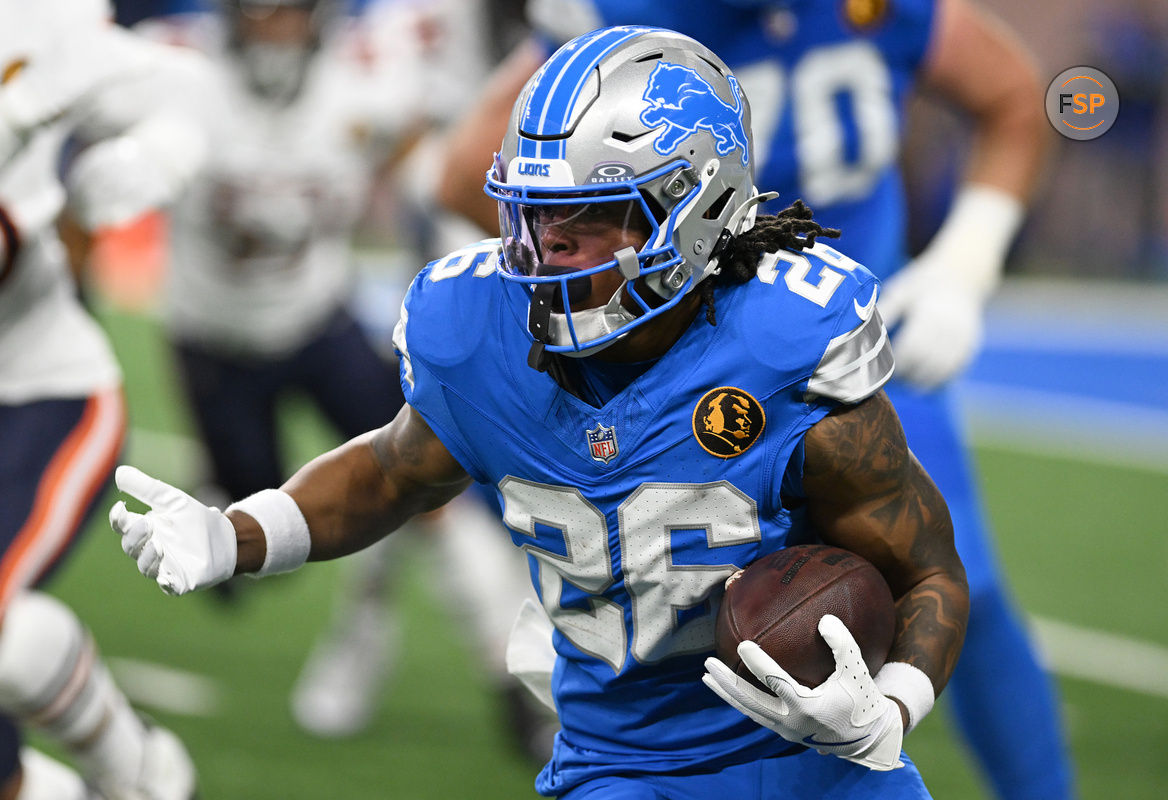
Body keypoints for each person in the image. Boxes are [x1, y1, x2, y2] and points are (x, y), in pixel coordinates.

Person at [110, 26, 969, 798]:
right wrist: (239, 534)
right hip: (619, 767)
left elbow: (928, 569)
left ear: (697, 211)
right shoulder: (477, 331)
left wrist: (885, 715)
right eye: (534, 213)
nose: (545, 249)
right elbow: (388, 474)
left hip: (819, 766)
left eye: (587, 220)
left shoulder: (783, 346)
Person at [435, 2, 1069, 798]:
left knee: (951, 578)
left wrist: (965, 261)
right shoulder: (634, 25)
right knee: (692, 612)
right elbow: (469, 172)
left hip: (851, 352)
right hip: (688, 359)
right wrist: (612, 285)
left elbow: (1013, 95)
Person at [134, 0, 549, 757]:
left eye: (288, 11)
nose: (273, 27)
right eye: (259, 13)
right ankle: (229, 488)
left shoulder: (367, 81)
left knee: (429, 475)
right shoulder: (172, 72)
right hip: (213, 341)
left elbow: (433, 150)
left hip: (318, 320)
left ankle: (506, 672)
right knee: (250, 552)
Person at [0, 1, 206, 798]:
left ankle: (132, 771)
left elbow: (189, 88)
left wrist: (157, 154)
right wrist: (7, 123)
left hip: (30, 386)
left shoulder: (28, 15)